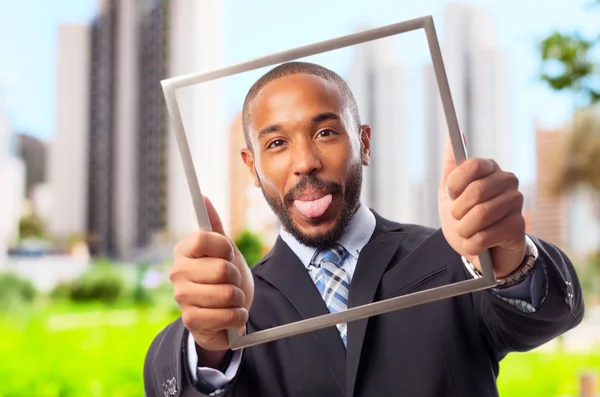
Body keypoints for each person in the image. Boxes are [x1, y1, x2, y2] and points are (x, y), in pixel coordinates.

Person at [143, 61, 584, 397]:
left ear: (364, 144)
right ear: (252, 167)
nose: (304, 163)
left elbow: (552, 313)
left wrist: (506, 253)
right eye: (276, 144)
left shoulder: (456, 257)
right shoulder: (234, 303)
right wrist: (205, 344)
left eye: (326, 133)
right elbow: (170, 381)